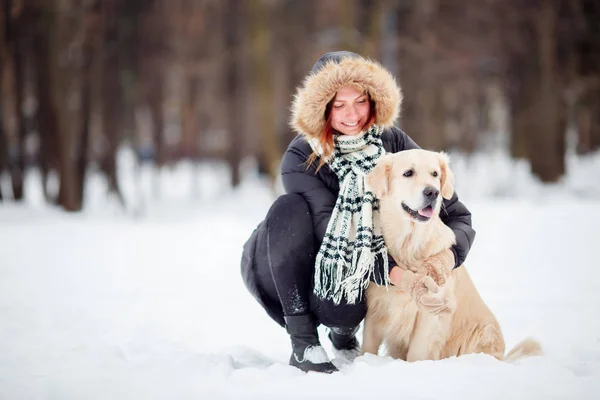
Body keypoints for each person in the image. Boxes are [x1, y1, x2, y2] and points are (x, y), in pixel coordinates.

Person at [240, 51, 476, 373]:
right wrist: (403, 278)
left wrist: (445, 259)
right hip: (284, 264)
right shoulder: (301, 156)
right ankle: (304, 343)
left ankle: (342, 331)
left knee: (345, 311)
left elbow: (457, 215)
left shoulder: (392, 143)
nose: (352, 115)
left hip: (357, 271)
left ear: (374, 102)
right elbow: (340, 234)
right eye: (339, 105)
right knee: (288, 208)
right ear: (323, 109)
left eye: (360, 102)